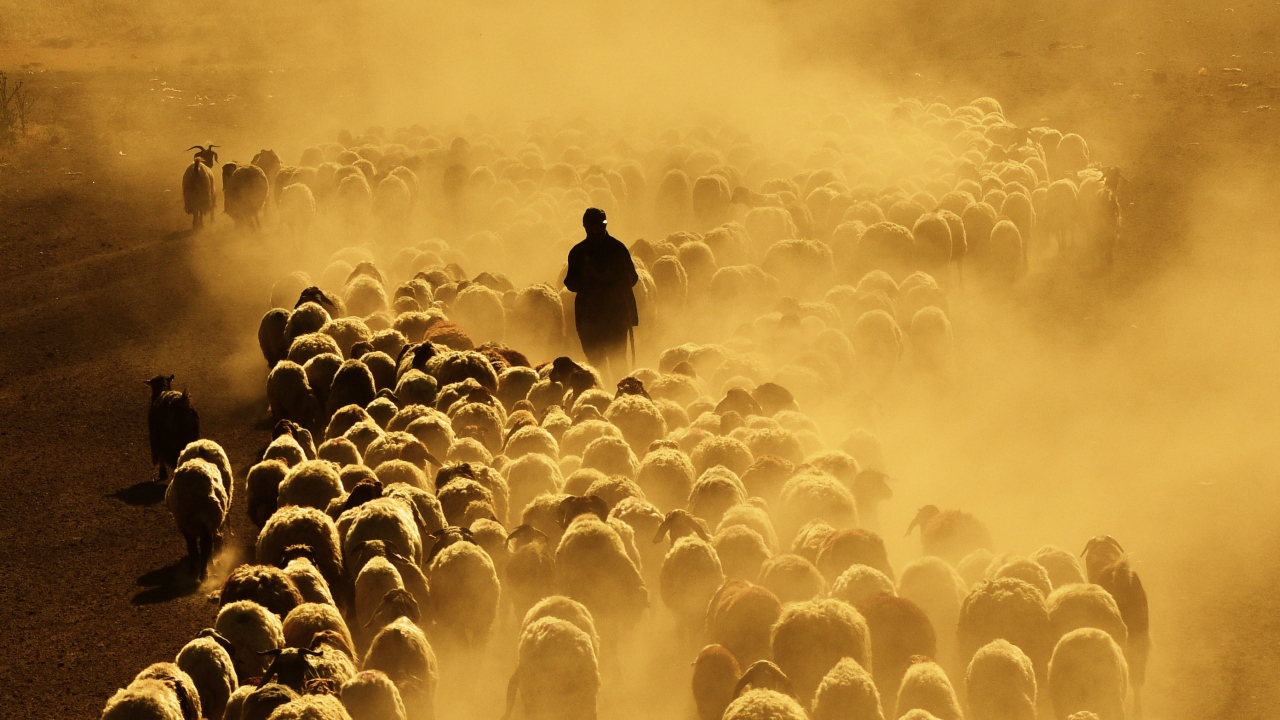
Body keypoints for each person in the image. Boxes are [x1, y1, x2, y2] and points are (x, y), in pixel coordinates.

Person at [563, 207, 639, 380]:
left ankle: (622, 393)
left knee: (617, 359)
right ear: (585, 226)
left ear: (605, 225)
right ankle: (600, 393)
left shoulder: (617, 249)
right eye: (592, 226)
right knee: (595, 361)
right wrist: (587, 279)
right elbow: (570, 282)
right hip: (589, 317)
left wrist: (610, 277)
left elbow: (632, 278)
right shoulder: (578, 252)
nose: (596, 230)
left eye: (600, 226)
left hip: (615, 315)